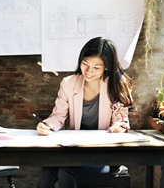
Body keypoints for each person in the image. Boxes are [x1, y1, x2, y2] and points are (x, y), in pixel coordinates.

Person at [36, 37, 134, 188]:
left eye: (96, 67)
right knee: (48, 170)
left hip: (104, 153)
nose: (88, 71)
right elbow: (58, 116)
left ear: (106, 67)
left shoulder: (116, 84)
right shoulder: (68, 83)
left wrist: (119, 127)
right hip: (75, 150)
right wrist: (47, 125)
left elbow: (121, 120)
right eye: (85, 64)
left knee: (66, 171)